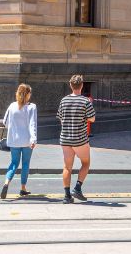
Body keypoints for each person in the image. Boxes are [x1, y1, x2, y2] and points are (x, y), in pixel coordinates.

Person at [57, 74, 95, 203]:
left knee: (67, 167)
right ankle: (77, 188)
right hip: (80, 139)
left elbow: (61, 118)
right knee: (85, 163)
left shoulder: (64, 100)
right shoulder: (85, 101)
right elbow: (92, 118)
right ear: (82, 85)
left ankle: (67, 196)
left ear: (70, 85)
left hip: (65, 138)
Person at [1, 83, 38, 199]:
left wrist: (14, 128)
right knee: (25, 164)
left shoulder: (12, 106)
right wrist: (33, 139)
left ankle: (6, 182)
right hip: (27, 141)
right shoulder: (32, 107)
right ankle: (23, 188)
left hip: (14, 141)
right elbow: (33, 125)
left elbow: (5, 122)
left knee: (14, 163)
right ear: (27, 95)